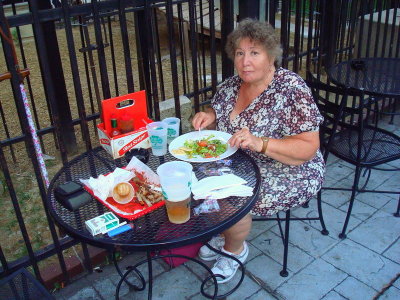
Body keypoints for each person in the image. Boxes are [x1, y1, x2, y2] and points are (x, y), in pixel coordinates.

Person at [192, 18, 325, 283]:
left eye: (254, 53)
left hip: (289, 167)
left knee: (233, 196)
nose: (245, 62)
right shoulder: (232, 84)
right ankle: (226, 231)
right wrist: (207, 116)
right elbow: (217, 113)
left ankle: (235, 250)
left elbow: (308, 148)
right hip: (240, 160)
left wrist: (261, 142)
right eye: (240, 53)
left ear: (271, 55)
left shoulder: (291, 89)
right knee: (198, 179)